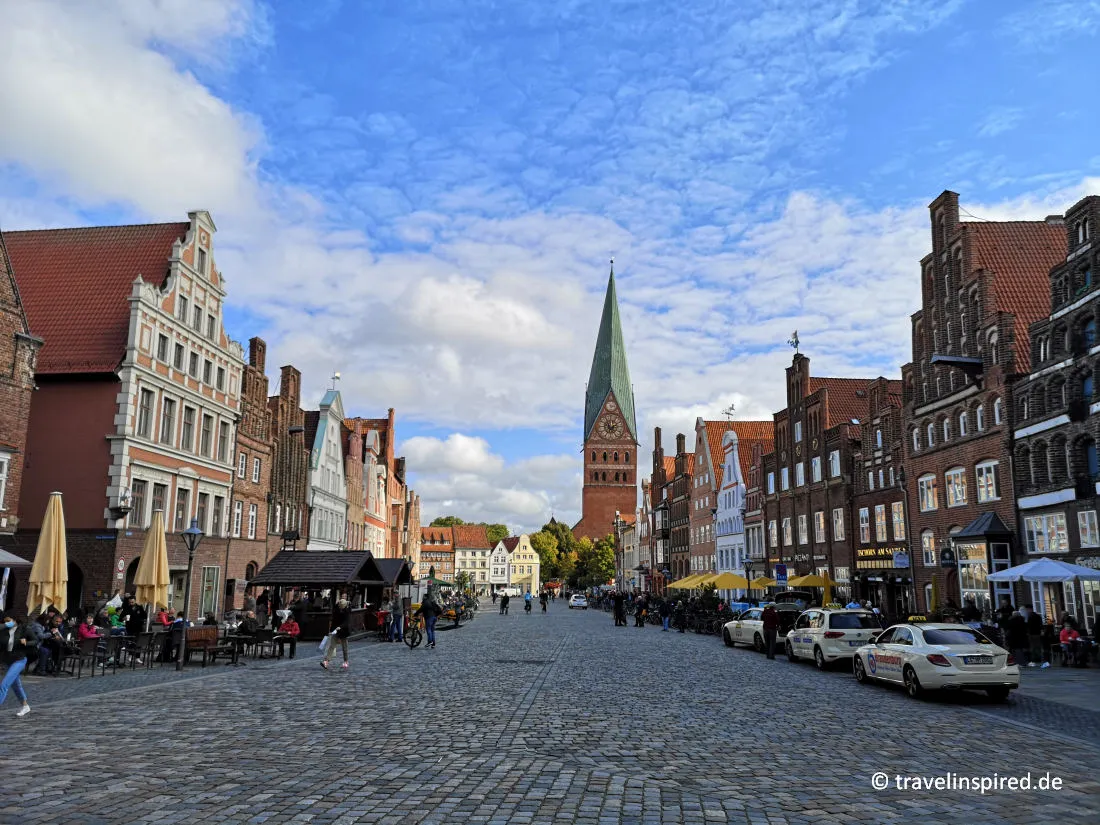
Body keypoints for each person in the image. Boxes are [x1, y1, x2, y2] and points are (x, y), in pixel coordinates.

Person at [1, 612, 33, 717]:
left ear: (15, 620)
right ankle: (25, 706)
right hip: (8, 661)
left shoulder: (24, 629)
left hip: (19, 660)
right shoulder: (4, 631)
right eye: (5, 621)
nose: (7, 623)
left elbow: (35, 640)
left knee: (4, 685)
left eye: (9, 621)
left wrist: (26, 642)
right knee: (16, 685)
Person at [321, 598, 351, 670]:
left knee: (344, 647)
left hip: (343, 631)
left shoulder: (347, 611)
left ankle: (346, 661)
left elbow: (347, 622)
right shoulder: (336, 609)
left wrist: (340, 627)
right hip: (335, 630)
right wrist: (331, 630)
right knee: (332, 646)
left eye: (342, 607)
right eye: (340, 607)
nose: (341, 608)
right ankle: (326, 661)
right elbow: (334, 620)